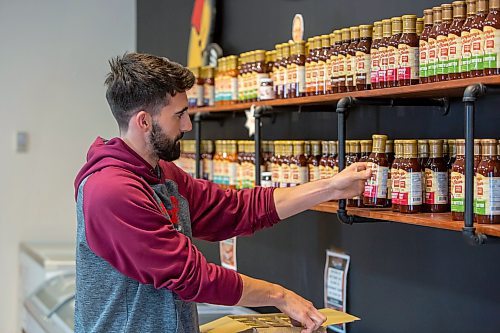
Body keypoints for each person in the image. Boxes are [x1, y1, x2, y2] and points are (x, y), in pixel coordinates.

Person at [74, 52, 371, 333]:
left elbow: (235, 209)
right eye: (179, 115)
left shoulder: (162, 174)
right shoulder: (111, 191)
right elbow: (191, 276)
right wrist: (279, 296)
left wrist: (330, 187)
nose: (188, 125)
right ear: (143, 121)